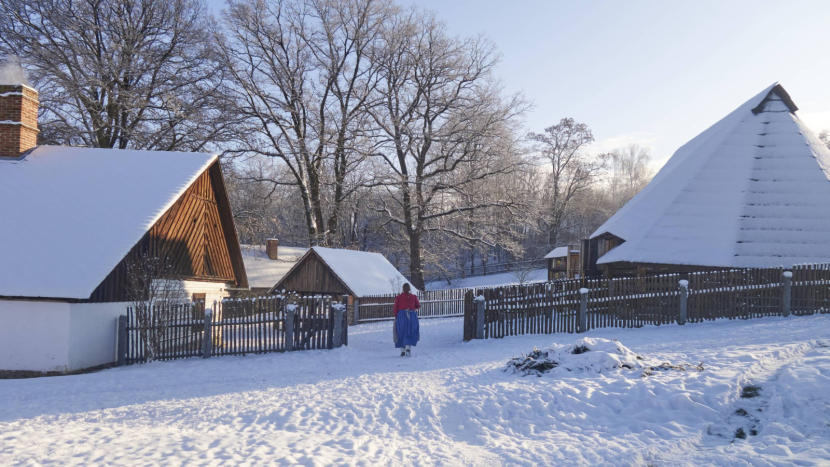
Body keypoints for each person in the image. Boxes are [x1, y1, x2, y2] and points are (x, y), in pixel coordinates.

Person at [393, 283, 420, 357]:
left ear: (403, 288)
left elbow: (395, 308)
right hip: (411, 316)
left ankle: (402, 350)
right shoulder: (414, 296)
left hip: (401, 316)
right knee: (410, 331)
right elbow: (418, 305)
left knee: (401, 331)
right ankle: (408, 348)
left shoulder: (398, 297)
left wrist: (397, 316)